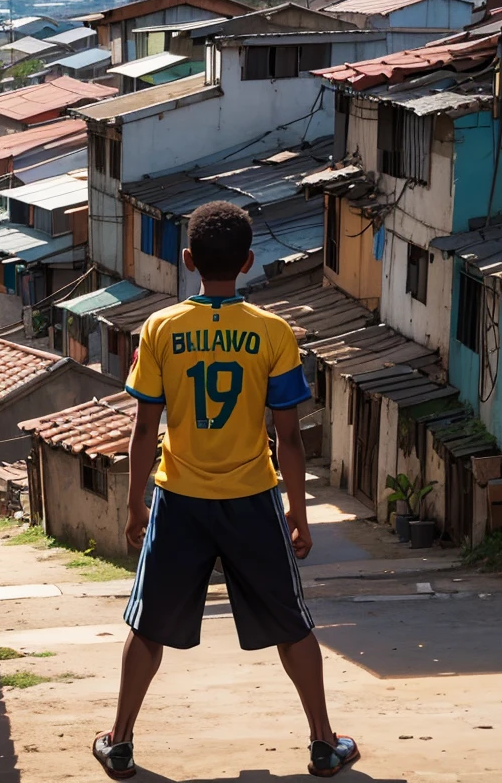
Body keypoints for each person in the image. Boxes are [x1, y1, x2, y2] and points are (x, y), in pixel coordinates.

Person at [92, 201, 359, 779]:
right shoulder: (274, 333)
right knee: (294, 623)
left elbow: (143, 428)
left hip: (179, 500)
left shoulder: (160, 329)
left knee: (147, 625)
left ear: (187, 260)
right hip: (252, 500)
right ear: (248, 263)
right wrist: (299, 513)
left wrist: (137, 505)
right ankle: (322, 743)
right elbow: (289, 438)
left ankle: (119, 743)